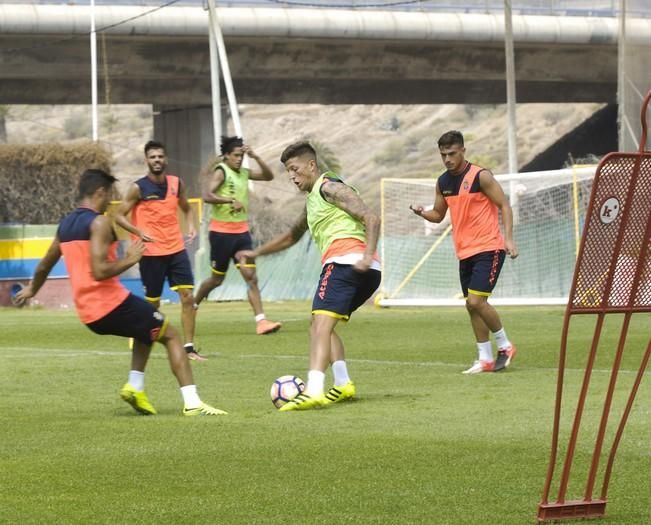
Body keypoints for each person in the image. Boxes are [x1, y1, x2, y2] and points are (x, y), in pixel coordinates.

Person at [14, 169, 226, 416]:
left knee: (147, 327)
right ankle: (193, 403)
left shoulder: (66, 225)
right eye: (109, 196)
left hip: (88, 312)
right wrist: (129, 259)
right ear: (100, 192)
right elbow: (100, 271)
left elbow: (44, 264)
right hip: (110, 303)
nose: (110, 202)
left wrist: (32, 289)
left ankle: (135, 387)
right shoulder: (100, 222)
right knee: (171, 335)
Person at [238, 141, 381, 411]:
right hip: (365, 269)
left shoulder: (329, 188)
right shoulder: (314, 200)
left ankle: (314, 389)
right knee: (320, 323)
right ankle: (343, 384)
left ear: (312, 165)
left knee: (319, 327)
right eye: (288, 172)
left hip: (346, 262)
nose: (292, 176)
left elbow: (371, 217)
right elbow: (291, 237)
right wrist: (255, 254)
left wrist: (366, 254)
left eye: (294, 169)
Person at [410, 130, 518, 374]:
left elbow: (504, 205)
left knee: (476, 301)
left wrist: (509, 239)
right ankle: (485, 359)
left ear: (462, 151)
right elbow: (438, 216)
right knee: (473, 306)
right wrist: (422, 213)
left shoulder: (481, 176)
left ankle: (505, 345)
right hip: (464, 252)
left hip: (489, 247)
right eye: (443, 155)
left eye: (451, 153)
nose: (447, 159)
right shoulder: (443, 183)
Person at [114, 140, 206, 361]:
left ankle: (189, 348)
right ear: (146, 160)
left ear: (166, 159)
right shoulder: (138, 187)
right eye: (152, 157)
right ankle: (139, 333)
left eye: (160, 156)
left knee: (187, 297)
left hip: (176, 249)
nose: (157, 160)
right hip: (151, 253)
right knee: (152, 302)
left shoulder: (176, 183)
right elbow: (117, 215)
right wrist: (138, 231)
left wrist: (192, 225)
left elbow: (186, 208)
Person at [193, 136, 282, 335]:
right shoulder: (221, 172)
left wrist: (256, 157)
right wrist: (228, 201)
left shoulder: (244, 172)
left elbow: (269, 176)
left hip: (241, 232)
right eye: (236, 155)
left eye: (241, 155)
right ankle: (194, 303)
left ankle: (261, 321)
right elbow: (207, 196)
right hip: (221, 234)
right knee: (216, 280)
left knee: (251, 277)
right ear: (226, 156)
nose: (239, 159)